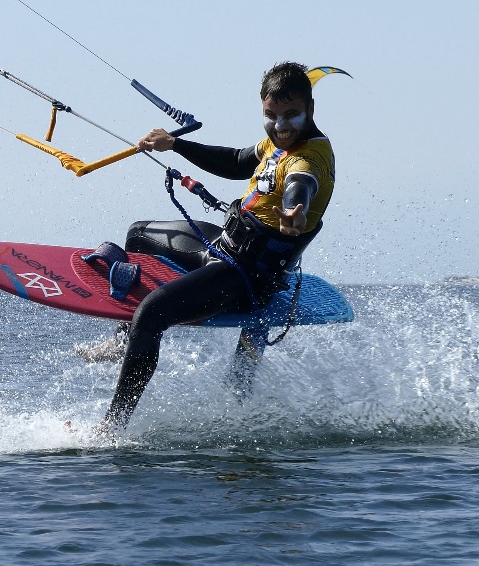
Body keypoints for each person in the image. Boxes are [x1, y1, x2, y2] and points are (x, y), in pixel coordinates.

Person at [97, 61, 337, 432]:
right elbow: (239, 161)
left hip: (245, 277)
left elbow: (300, 184)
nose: (281, 125)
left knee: (150, 314)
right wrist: (175, 144)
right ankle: (122, 343)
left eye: (291, 115)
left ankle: (110, 428)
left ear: (311, 109)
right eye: (271, 115)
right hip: (223, 246)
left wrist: (296, 209)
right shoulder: (277, 144)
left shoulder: (309, 158)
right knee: (138, 235)